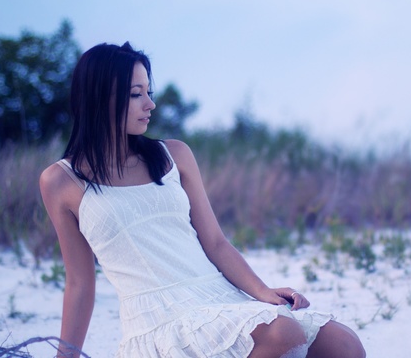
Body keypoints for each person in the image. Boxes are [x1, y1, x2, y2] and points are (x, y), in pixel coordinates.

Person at [39, 42, 366, 358]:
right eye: (135, 95)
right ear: (98, 100)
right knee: (284, 336)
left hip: (219, 297)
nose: (149, 104)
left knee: (345, 346)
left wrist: (262, 291)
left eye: (148, 92)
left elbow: (215, 242)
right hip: (160, 320)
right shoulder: (60, 181)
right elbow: (80, 283)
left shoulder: (174, 155)